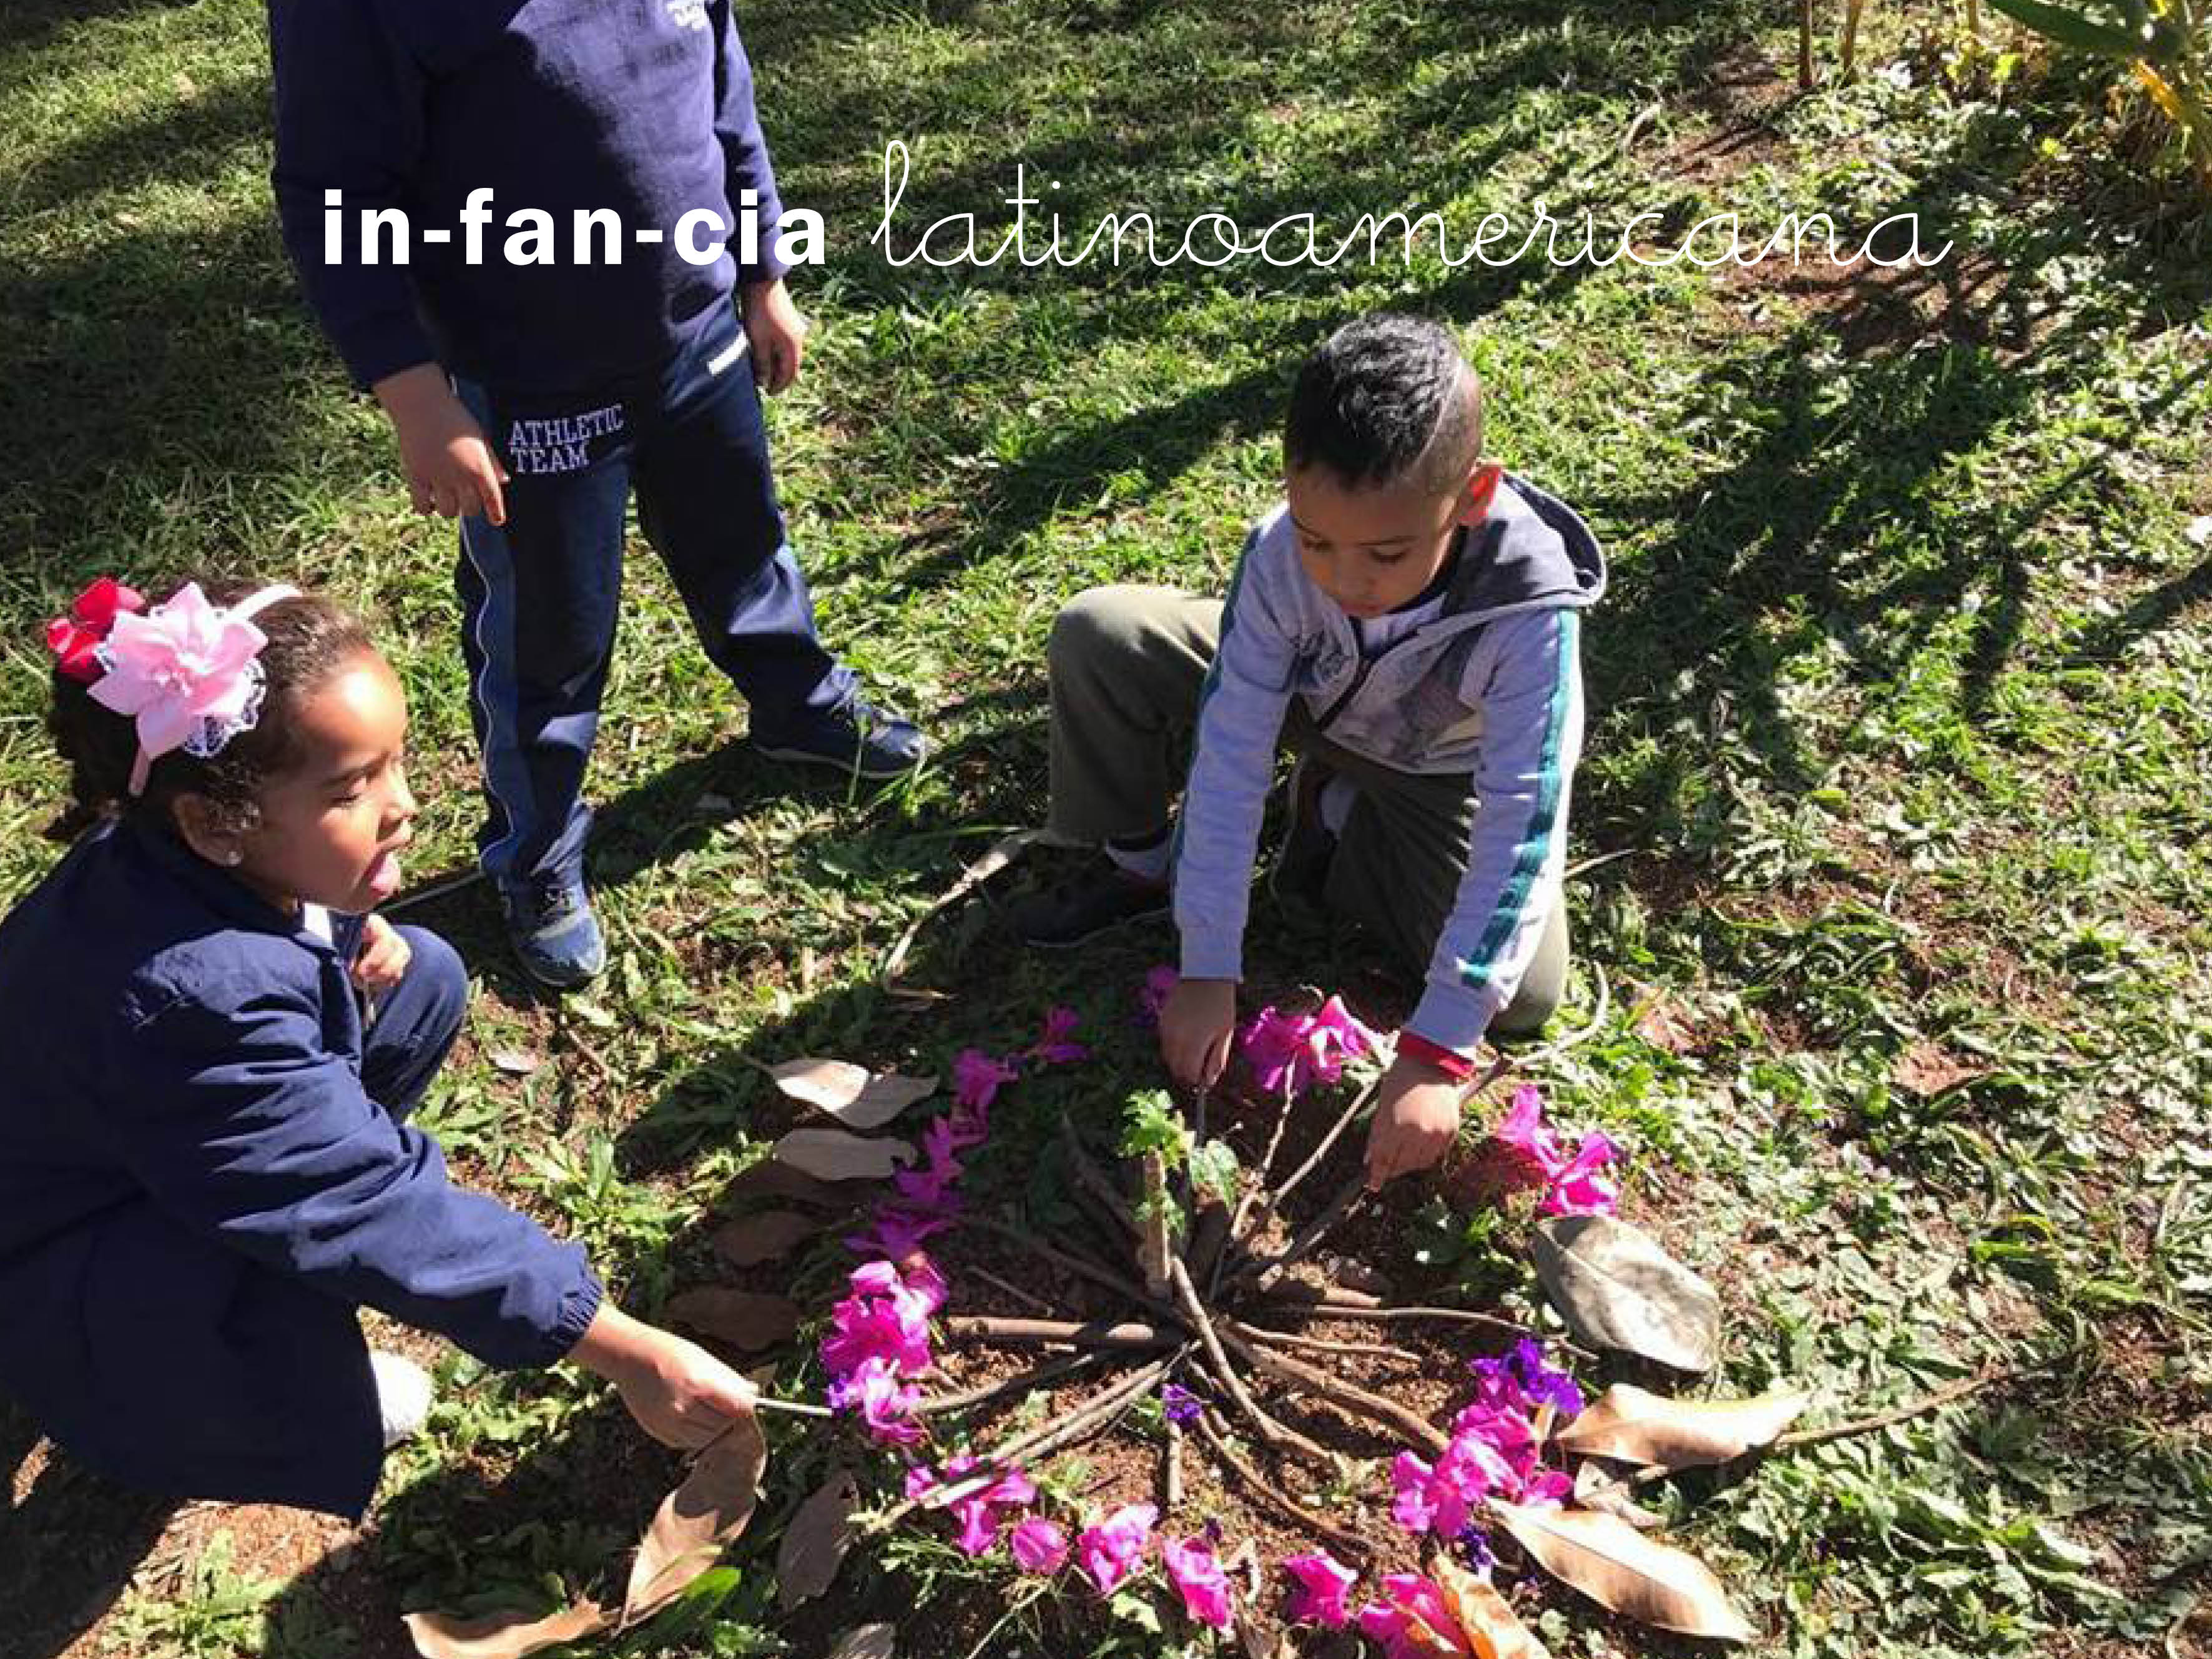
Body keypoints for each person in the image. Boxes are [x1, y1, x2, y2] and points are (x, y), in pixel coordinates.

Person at [0, 577, 757, 1517]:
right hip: (64, 1257)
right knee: (305, 1236)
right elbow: (368, 1205)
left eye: (395, 761)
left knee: (423, 974)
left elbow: (241, 947)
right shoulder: (196, 1009)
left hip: (121, 1140)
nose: (401, 805)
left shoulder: (159, 844)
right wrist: (621, 1345)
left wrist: (327, 925)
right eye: (353, 787)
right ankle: (174, 1411)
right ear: (217, 822)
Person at [263, 0, 927, 988]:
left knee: (740, 541)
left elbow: (720, 77)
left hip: (697, 337)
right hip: (527, 382)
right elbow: (335, 191)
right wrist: (413, 391)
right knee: (550, 633)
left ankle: (797, 704)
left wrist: (761, 266)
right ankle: (533, 848)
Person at [1011, 315, 1606, 1186]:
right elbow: (1233, 744)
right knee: (1105, 634)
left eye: (1388, 552)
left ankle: (1338, 815)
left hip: (1428, 766)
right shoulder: (1281, 556)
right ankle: (1142, 865)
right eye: (1317, 539)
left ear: (1473, 497)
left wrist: (1439, 1046)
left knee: (1523, 997)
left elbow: (1523, 822)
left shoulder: (1529, 613)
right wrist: (1208, 959)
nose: (1348, 582)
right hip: (1309, 699)